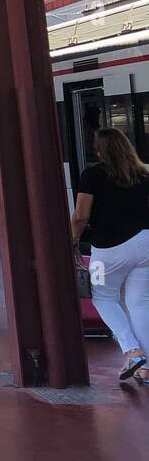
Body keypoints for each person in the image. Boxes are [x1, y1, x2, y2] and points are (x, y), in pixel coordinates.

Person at [69, 128, 149, 383]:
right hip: (145, 244)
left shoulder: (92, 175)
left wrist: (72, 238)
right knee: (140, 303)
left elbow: (81, 215)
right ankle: (147, 368)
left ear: (101, 150)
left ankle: (133, 351)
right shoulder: (143, 174)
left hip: (108, 250)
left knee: (103, 297)